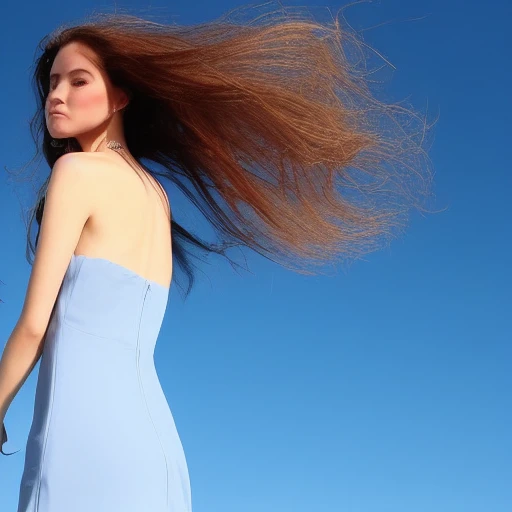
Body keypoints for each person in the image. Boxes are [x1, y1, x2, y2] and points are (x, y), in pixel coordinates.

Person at [0, 4, 437, 511]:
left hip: (81, 433)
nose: (56, 95)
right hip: (153, 445)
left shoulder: (77, 172)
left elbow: (34, 326)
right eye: (53, 83)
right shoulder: (155, 198)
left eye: (77, 81)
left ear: (120, 96)